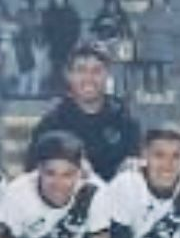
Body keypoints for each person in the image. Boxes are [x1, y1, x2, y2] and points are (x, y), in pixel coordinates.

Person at [29, 42, 141, 182]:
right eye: (81, 70)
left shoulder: (125, 122)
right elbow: (32, 177)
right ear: (68, 75)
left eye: (97, 71)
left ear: (107, 75)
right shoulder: (50, 125)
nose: (89, 78)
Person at [40, 0, 82, 92]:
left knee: (67, 68)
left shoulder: (71, 12)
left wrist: (72, 42)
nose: (59, 0)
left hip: (67, 45)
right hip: (54, 46)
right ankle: (54, 87)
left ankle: (66, 88)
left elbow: (75, 28)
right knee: (55, 67)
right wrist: (45, 41)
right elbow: (44, 29)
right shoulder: (49, 12)